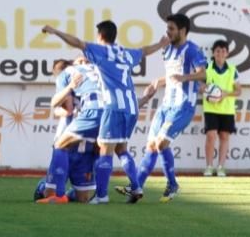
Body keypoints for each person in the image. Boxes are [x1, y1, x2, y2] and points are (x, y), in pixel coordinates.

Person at [41, 21, 168, 204]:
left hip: (112, 106)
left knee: (98, 148)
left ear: (100, 35)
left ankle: (98, 195)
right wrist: (161, 44)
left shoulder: (99, 53)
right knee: (120, 148)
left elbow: (77, 42)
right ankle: (136, 186)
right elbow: (145, 50)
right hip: (131, 106)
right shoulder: (124, 53)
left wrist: (55, 31)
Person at [116, 14, 206, 202]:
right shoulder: (167, 50)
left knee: (161, 143)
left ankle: (172, 184)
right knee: (150, 146)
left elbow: (202, 74)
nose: (168, 32)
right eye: (167, 28)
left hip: (183, 105)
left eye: (171, 29)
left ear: (182, 30)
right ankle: (137, 187)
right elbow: (172, 75)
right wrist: (158, 81)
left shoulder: (193, 50)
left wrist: (184, 78)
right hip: (166, 104)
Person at [36, 56, 102, 204]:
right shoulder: (70, 85)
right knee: (47, 193)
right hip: (69, 140)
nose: (84, 65)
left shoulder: (95, 85)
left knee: (83, 199)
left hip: (85, 147)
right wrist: (69, 92)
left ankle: (66, 194)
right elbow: (60, 109)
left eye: (87, 62)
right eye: (80, 62)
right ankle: (45, 188)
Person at [203, 39, 242, 177]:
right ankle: (208, 166)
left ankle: (220, 167)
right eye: (218, 51)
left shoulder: (232, 70)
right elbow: (199, 85)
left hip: (227, 109)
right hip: (211, 108)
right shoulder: (207, 67)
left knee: (224, 137)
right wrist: (208, 90)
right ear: (213, 53)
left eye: (223, 51)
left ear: (227, 53)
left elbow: (238, 91)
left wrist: (226, 93)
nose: (220, 53)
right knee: (211, 136)